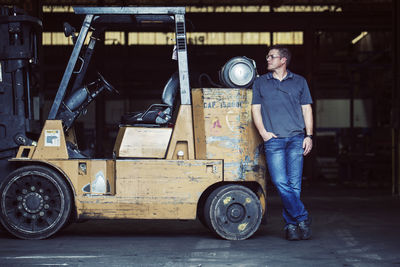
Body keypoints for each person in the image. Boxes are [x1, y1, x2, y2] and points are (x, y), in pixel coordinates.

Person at [251, 45, 313, 241]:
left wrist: (309, 136)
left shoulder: (300, 82)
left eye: (272, 56)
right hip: (274, 141)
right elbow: (255, 110)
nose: (268, 59)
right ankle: (302, 217)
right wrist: (263, 133)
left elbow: (307, 110)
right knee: (280, 182)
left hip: (296, 138)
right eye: (268, 56)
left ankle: (291, 226)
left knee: (294, 186)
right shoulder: (260, 82)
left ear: (283, 60)